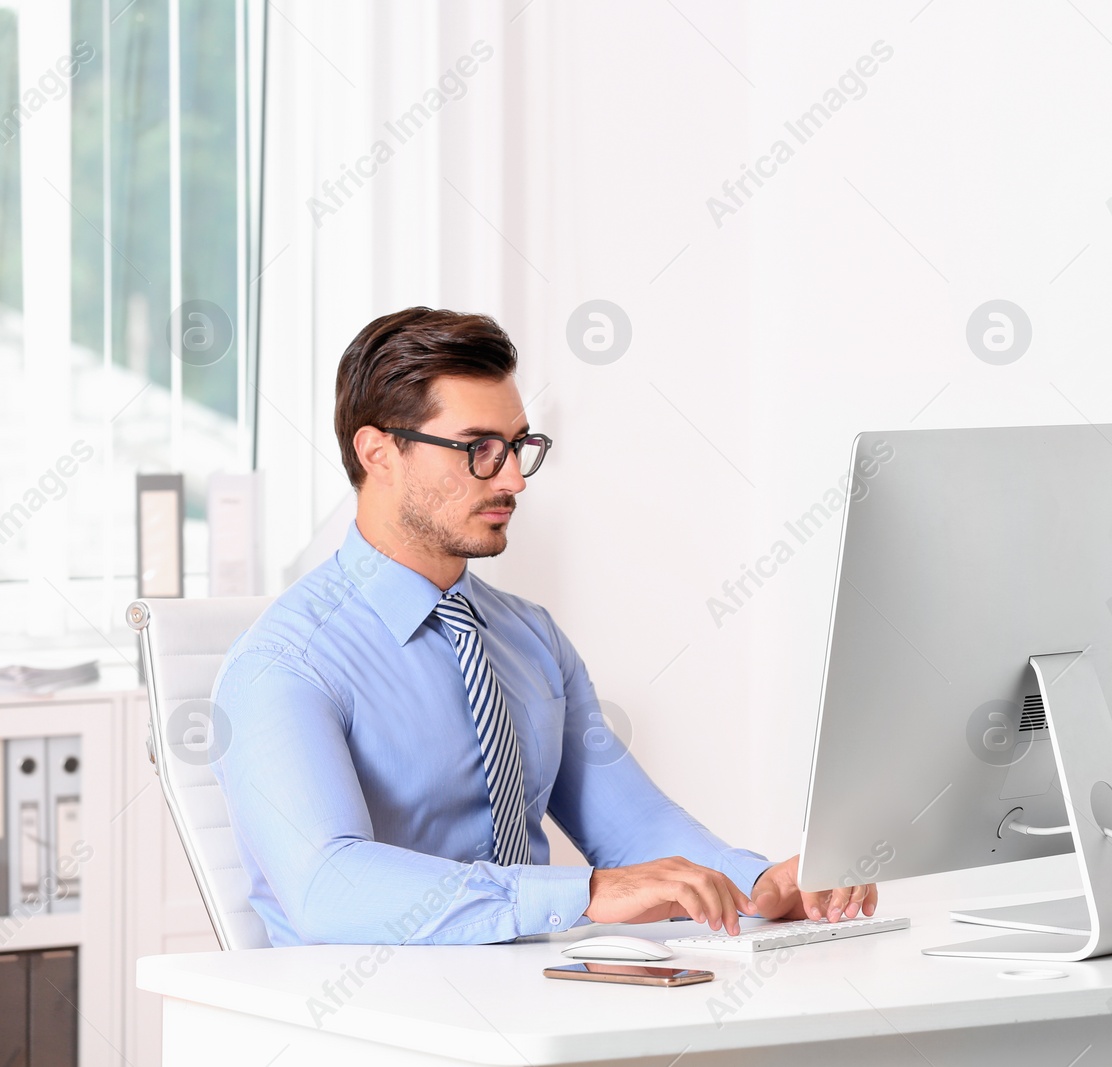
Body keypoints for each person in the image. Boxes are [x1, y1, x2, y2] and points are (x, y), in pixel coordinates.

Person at [211, 307, 877, 946]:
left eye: (518, 447)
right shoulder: (284, 663)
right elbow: (328, 886)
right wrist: (581, 894)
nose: (512, 480)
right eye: (478, 449)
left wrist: (757, 884)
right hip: (370, 1020)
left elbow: (632, 826)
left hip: (532, 998)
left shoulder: (528, 637)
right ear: (379, 453)